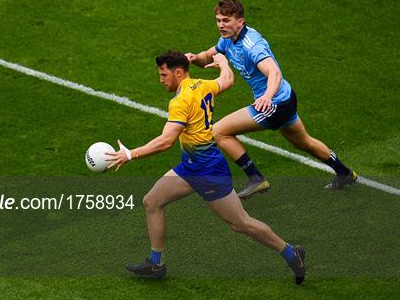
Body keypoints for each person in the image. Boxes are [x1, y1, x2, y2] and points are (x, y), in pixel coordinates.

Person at [106, 51, 306, 284]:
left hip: (208, 172)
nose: (161, 80)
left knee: (240, 223)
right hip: (190, 167)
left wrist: (131, 154)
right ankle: (156, 263)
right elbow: (227, 80)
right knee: (152, 201)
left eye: (163, 74)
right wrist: (222, 63)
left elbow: (166, 141)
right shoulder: (201, 85)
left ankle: (292, 253)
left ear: (178, 72)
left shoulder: (180, 101)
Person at [185, 0, 357, 199]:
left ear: (240, 22)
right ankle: (345, 173)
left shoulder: (251, 46)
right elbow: (208, 56)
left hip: (274, 103)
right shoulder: (227, 39)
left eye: (226, 21)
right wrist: (194, 58)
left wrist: (266, 97)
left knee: (218, 132)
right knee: (304, 143)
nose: (221, 25)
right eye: (218, 20)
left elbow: (274, 73)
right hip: (285, 98)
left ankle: (256, 179)